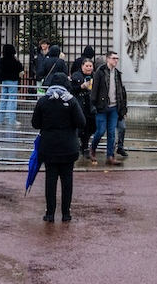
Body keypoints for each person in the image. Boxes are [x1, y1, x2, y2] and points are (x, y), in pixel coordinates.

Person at [30, 72, 91, 222]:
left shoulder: (43, 101)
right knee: (67, 179)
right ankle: (66, 213)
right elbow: (82, 123)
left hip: (49, 145)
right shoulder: (71, 101)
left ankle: (50, 212)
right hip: (68, 146)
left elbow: (35, 124)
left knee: (50, 179)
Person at [87, 50, 127, 165]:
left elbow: (121, 91)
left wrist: (123, 108)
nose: (116, 60)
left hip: (114, 107)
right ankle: (92, 148)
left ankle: (110, 155)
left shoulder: (118, 73)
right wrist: (93, 104)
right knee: (100, 131)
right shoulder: (100, 72)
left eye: (117, 58)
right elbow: (94, 90)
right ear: (108, 59)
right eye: (114, 58)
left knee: (111, 132)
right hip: (102, 107)